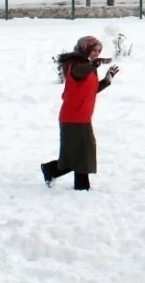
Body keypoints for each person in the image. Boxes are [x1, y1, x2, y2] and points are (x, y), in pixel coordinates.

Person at [41, 36, 120, 190]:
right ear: (85, 49)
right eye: (93, 50)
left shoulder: (88, 67)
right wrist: (94, 64)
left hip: (81, 116)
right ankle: (80, 185)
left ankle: (53, 171)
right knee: (83, 151)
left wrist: (106, 80)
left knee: (79, 152)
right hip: (73, 117)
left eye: (98, 51)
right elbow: (79, 73)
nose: (96, 53)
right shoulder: (75, 65)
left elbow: (90, 90)